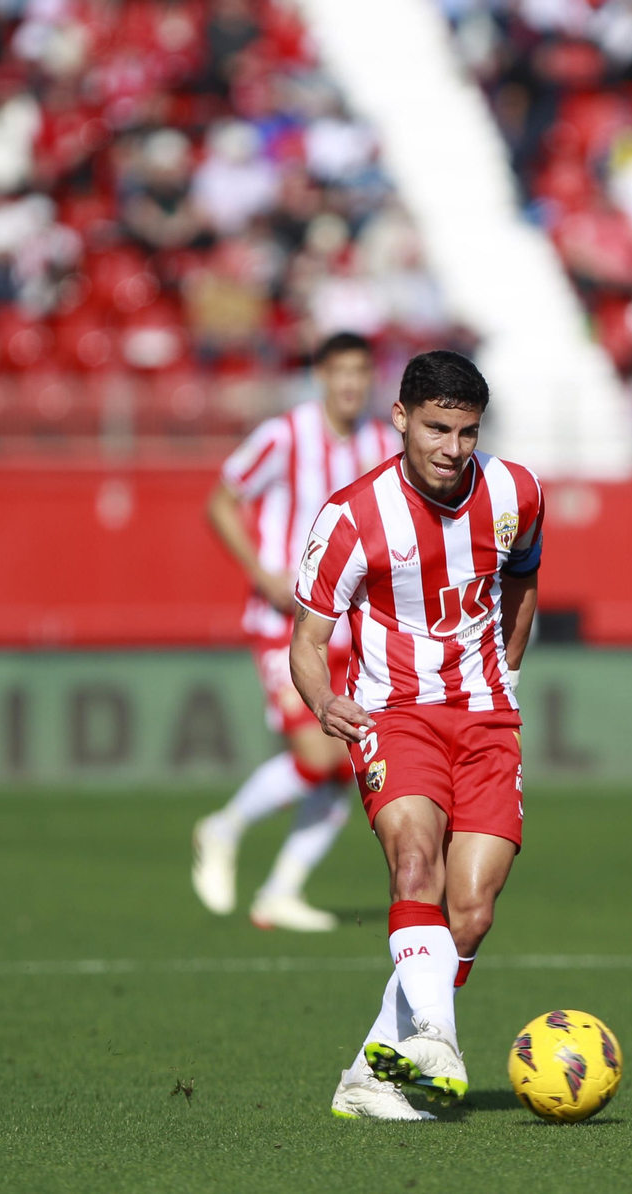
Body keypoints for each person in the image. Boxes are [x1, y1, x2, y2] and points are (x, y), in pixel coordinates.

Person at [290, 350, 544, 1122]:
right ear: (400, 418)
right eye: (437, 428)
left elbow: (524, 584)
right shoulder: (350, 516)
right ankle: (435, 1037)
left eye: (467, 432)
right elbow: (305, 640)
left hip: (486, 717)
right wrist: (324, 700)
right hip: (392, 713)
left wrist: (504, 676)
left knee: (471, 912)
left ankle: (372, 1070)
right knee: (413, 863)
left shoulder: (518, 492)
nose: (452, 449)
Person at [191, 332, 398, 932]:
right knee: (317, 751)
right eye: (340, 371)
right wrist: (262, 572)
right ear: (320, 375)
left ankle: (280, 891)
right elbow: (221, 502)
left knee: (352, 760)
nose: (351, 383)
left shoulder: (385, 442)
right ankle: (224, 827)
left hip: (351, 627)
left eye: (361, 371)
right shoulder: (285, 435)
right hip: (284, 622)